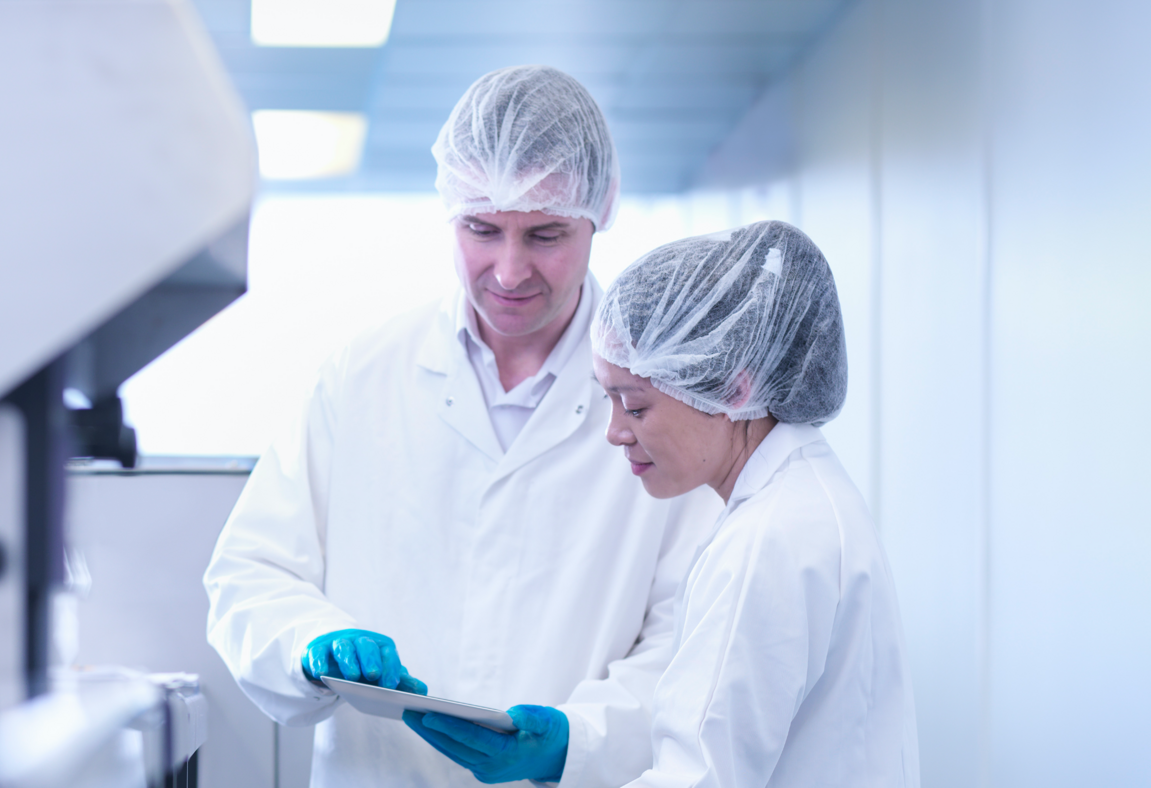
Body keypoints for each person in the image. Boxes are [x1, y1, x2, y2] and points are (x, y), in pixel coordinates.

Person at [204, 65, 723, 788]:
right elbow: (251, 572)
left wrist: (578, 740)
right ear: (449, 212)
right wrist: (311, 641)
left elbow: (690, 633)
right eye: (483, 230)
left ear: (599, 213)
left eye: (545, 235)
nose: (510, 272)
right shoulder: (365, 375)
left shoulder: (664, 403)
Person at [582, 221, 920, 787]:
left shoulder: (770, 540)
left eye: (635, 407)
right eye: (608, 399)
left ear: (733, 391)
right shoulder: (799, 499)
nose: (614, 432)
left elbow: (698, 778)